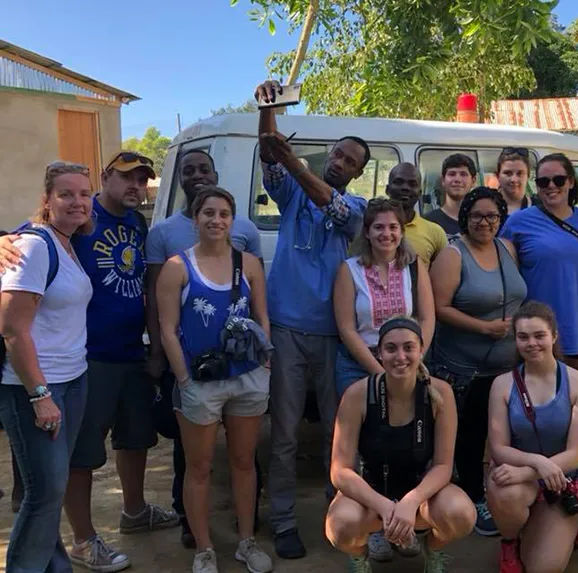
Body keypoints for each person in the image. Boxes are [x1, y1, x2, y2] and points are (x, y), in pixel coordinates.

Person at [0, 151, 180, 570]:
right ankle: (84, 540)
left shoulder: (132, 223)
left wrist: (153, 346)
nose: (134, 186)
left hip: (125, 352)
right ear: (105, 178)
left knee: (134, 439)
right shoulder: (63, 226)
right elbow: (22, 249)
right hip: (83, 360)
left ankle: (133, 513)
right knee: (74, 461)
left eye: (141, 180)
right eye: (125, 178)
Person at [256, 79, 369, 558]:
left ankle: (336, 512)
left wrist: (291, 160)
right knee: (282, 434)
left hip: (334, 336)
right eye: (337, 154)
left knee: (335, 433)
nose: (340, 162)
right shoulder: (291, 195)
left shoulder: (358, 209)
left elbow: (331, 203)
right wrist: (267, 107)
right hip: (285, 329)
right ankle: (282, 520)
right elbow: (268, 153)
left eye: (350, 161)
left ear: (359, 173)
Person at [145, 148, 264, 549]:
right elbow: (167, 327)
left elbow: (263, 320)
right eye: (208, 214)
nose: (216, 220)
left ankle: (246, 540)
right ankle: (205, 548)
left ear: (233, 221)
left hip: (246, 378)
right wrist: (183, 379)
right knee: (198, 468)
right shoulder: (177, 267)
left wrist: (263, 369)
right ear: (195, 219)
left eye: (224, 214)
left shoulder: (248, 263)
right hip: (198, 381)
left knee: (244, 462)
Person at [499, 153, 578, 547]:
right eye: (543, 182)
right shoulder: (519, 222)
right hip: (535, 335)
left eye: (559, 180)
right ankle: (535, 496)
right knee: (537, 417)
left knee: (576, 421)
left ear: (572, 182)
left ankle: (573, 502)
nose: (551, 187)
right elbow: (504, 274)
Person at [325, 316, 476, 573]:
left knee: (462, 514)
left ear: (421, 350)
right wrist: (384, 506)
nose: (400, 356)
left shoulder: (439, 393)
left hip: (422, 494)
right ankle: (360, 557)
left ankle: (434, 548)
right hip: (371, 493)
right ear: (379, 354)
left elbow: (443, 465)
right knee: (340, 525)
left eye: (409, 347)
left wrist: (411, 501)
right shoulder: (357, 394)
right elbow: (340, 471)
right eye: (391, 348)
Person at [0, 161, 94, 572]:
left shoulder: (66, 243)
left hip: (72, 380)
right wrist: (40, 396)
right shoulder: (36, 246)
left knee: (51, 492)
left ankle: (55, 567)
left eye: (84, 194)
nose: (78, 202)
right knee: (44, 493)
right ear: (46, 200)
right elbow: (12, 329)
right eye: (66, 194)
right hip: (36, 389)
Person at [428, 187, 527, 537]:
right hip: (464, 369)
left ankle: (501, 495)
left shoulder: (508, 248)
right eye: (477, 216)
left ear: (501, 218)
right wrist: (483, 327)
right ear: (465, 217)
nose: (484, 222)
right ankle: (473, 497)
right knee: (469, 437)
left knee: (501, 434)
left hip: (507, 368)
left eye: (492, 216)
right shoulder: (453, 256)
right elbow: (438, 308)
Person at [486, 302, 578, 573]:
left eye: (539, 336)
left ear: (554, 337)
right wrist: (538, 463)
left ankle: (569, 516)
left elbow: (577, 454)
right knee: (502, 489)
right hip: (519, 476)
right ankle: (510, 540)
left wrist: (533, 471)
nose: (531, 343)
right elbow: (498, 448)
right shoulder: (503, 384)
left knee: (543, 568)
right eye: (523, 337)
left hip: (564, 479)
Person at [333, 197, 435, 398]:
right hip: (359, 366)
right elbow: (347, 329)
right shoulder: (350, 270)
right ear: (367, 233)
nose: (386, 234)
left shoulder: (414, 267)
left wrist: (415, 358)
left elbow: (427, 318)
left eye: (393, 227)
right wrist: (381, 373)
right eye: (378, 227)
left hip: (405, 364)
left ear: (402, 232)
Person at [384, 163, 447, 264]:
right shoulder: (372, 229)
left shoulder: (435, 233)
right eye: (399, 182)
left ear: (420, 193)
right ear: (387, 189)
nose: (405, 188)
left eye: (412, 184)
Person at [424, 154, 477, 241]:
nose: (457, 179)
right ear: (443, 180)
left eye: (463, 174)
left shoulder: (482, 221)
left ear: (473, 181)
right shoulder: (428, 222)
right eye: (452, 174)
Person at [495, 148, 532, 215]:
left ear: (528, 176)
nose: (514, 179)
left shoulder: (539, 209)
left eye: (520, 173)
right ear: (498, 176)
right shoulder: (485, 208)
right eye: (508, 173)